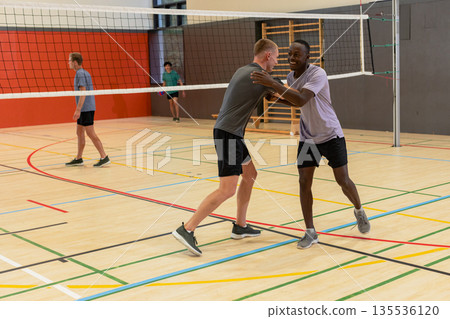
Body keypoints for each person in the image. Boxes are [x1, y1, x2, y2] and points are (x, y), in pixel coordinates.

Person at [250, 39, 370, 249]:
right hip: (308, 137)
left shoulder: (317, 74)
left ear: (307, 56)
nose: (291, 59)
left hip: (331, 134)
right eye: (289, 54)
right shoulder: (290, 76)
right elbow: (295, 101)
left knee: (343, 181)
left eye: (296, 55)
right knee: (304, 182)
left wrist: (273, 84)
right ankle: (310, 231)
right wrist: (276, 98)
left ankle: (359, 210)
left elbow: (303, 99)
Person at [172, 39, 287, 256]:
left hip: (232, 134)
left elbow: (274, 93)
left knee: (250, 174)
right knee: (227, 189)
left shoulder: (246, 71)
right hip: (228, 136)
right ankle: (187, 228)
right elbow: (288, 96)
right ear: (268, 56)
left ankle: (240, 226)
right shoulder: (259, 76)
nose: (278, 61)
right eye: (278, 56)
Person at [65, 52, 110, 167]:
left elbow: (83, 92)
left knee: (90, 133)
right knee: (79, 132)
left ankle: (104, 156)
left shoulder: (80, 74)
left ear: (75, 62)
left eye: (69, 61)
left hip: (86, 109)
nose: (68, 63)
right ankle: (79, 158)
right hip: (86, 108)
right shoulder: (85, 73)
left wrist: (78, 109)